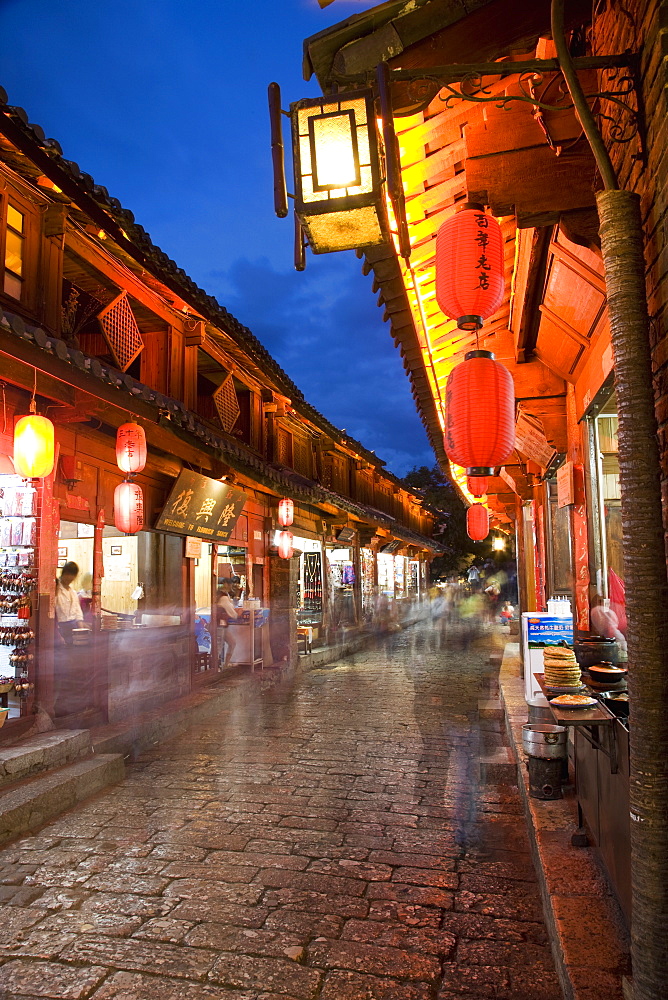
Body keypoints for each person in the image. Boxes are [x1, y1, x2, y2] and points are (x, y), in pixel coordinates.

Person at [55, 562, 85, 645]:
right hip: (60, 628)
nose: (70, 578)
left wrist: (81, 632)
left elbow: (78, 613)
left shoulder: (73, 593)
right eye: (68, 575)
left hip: (73, 627)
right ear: (63, 573)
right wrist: (58, 635)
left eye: (72, 576)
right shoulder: (56, 590)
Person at [216, 582, 239, 669]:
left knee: (232, 642)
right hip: (219, 624)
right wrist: (237, 614)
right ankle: (216, 667)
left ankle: (225, 664)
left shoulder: (222, 597)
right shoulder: (224, 598)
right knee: (218, 646)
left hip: (223, 624)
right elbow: (232, 612)